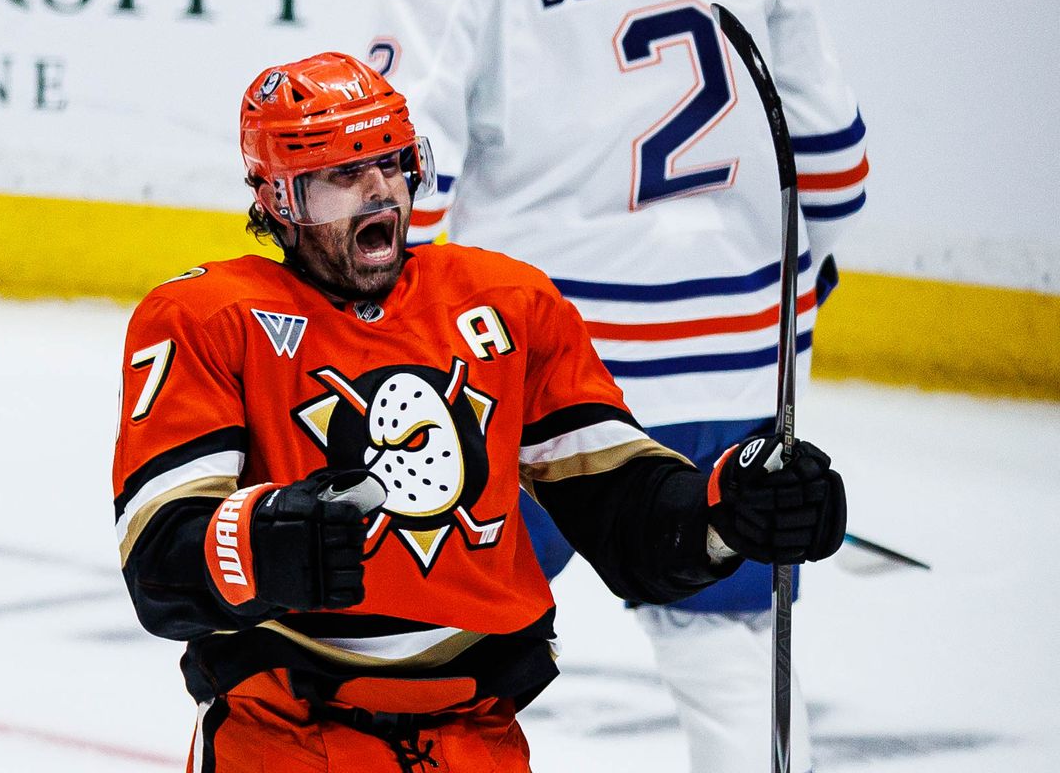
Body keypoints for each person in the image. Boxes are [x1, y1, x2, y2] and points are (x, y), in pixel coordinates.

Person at [111, 51, 847, 773]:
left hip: (479, 741)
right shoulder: (207, 318)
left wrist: (728, 508)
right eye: (342, 174)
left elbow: (624, 515)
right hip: (289, 739)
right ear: (280, 199)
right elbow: (158, 566)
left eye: (392, 164)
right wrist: (260, 543)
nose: (378, 192)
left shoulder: (507, 302)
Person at [368, 0, 868, 771]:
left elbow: (392, 170)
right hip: (734, 345)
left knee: (423, 641)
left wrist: (387, 344)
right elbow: (838, 171)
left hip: (533, 363)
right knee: (729, 656)